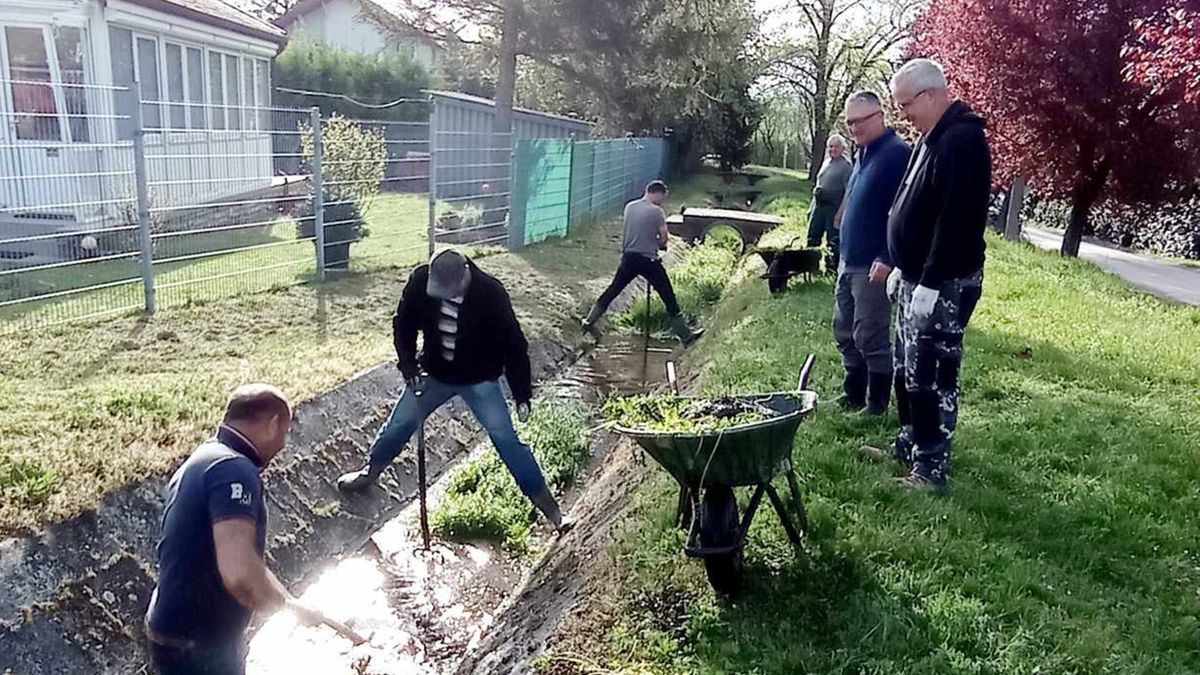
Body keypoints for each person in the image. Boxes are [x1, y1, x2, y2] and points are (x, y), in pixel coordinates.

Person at [337, 250, 571, 533]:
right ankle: (369, 473)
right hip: (433, 374)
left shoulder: (491, 293)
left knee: (507, 441)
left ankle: (555, 515)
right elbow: (404, 324)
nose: (442, 296)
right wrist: (408, 364)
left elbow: (515, 346)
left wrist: (522, 395)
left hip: (480, 380)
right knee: (398, 424)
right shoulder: (421, 280)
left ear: (464, 275)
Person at [146, 384, 350, 674]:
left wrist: (292, 603)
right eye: (285, 432)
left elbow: (246, 562)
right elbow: (240, 573)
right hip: (199, 646)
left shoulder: (208, 457)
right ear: (273, 423)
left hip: (175, 632)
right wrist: (287, 610)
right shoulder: (234, 470)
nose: (282, 444)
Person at [862, 58, 991, 491]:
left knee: (931, 377)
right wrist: (902, 263)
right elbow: (914, 204)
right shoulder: (930, 137)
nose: (903, 115)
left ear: (932, 94)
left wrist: (932, 281)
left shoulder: (963, 140)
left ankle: (931, 470)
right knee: (906, 371)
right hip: (915, 277)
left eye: (905, 105)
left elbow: (957, 220)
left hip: (945, 283)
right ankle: (910, 444)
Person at [832, 91, 912, 415]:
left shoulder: (896, 155)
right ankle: (852, 394)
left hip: (873, 264)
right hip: (849, 259)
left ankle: (876, 405)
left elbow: (904, 212)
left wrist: (887, 257)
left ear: (879, 116)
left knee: (870, 334)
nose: (853, 128)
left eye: (859, 121)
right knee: (844, 330)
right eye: (849, 123)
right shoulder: (863, 153)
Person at [580, 180, 703, 346]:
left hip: (629, 259)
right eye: (662, 197)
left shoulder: (629, 207)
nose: (662, 201)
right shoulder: (657, 212)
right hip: (649, 261)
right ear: (657, 193)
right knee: (668, 296)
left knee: (613, 290)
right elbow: (664, 238)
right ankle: (685, 336)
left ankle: (589, 321)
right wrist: (660, 245)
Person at [807, 134, 853, 271]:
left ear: (842, 148)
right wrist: (811, 208)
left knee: (833, 240)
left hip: (834, 207)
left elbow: (848, 192)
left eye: (836, 146)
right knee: (813, 236)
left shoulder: (846, 166)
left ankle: (831, 269)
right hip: (819, 205)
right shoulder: (826, 162)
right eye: (830, 146)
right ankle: (810, 266)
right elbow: (818, 183)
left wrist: (840, 214)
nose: (833, 149)